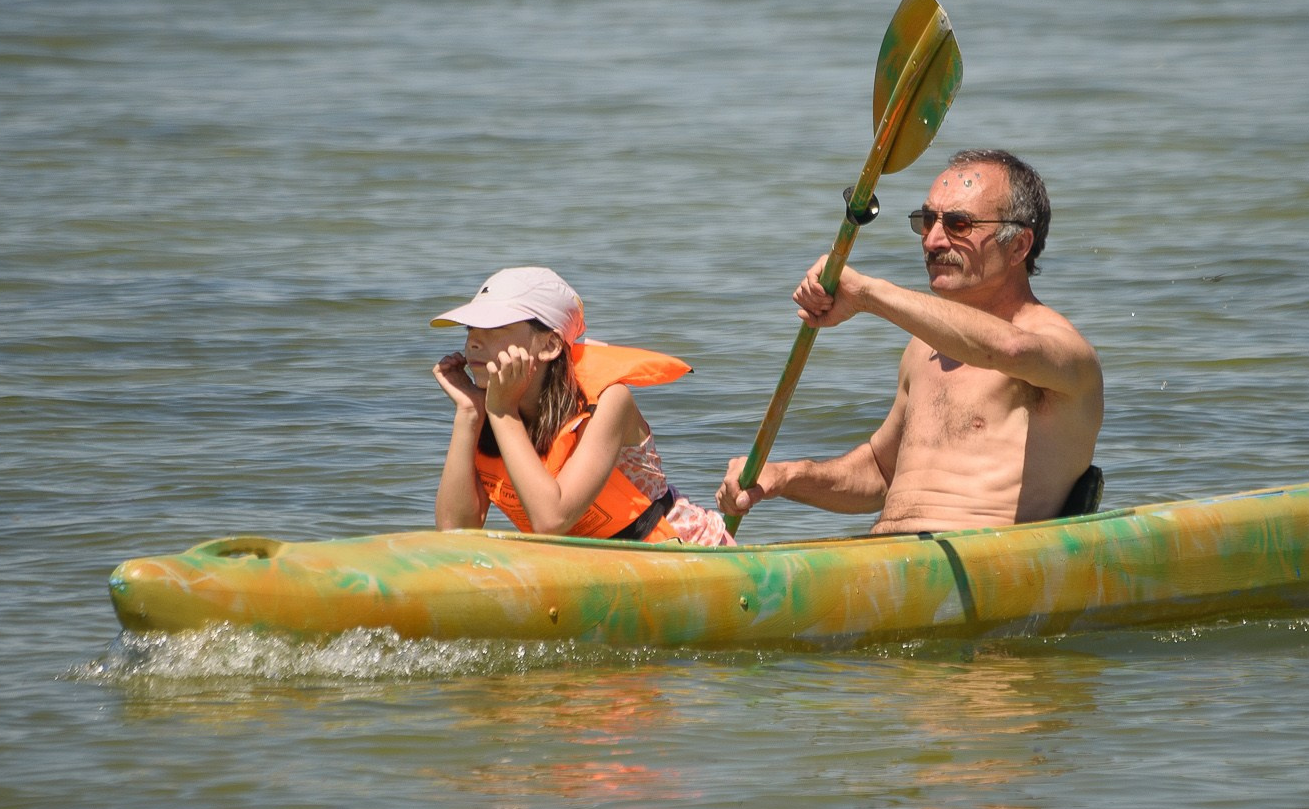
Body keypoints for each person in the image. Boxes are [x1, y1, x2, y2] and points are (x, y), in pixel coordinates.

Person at [717, 149, 1103, 534]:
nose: (933, 240)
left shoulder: (1063, 350)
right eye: (927, 220)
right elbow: (881, 472)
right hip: (882, 561)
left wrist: (868, 294)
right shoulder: (924, 348)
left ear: (1018, 245)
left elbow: (1009, 350)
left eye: (959, 225)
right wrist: (785, 476)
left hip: (986, 569)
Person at [432, 266, 733, 545]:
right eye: (470, 329)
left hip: (682, 550)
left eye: (494, 328)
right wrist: (469, 413)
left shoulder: (608, 401)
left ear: (549, 345)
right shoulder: (492, 406)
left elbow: (552, 520)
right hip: (589, 566)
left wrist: (502, 413)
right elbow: (454, 531)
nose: (472, 342)